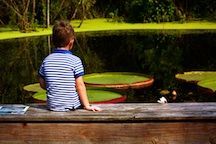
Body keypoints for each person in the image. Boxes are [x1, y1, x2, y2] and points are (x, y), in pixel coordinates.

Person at [38, 20, 101, 112]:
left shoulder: (46, 61)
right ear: (71, 42)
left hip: (52, 107)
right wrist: (87, 105)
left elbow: (42, 84)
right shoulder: (75, 60)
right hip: (71, 106)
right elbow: (80, 85)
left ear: (53, 41)